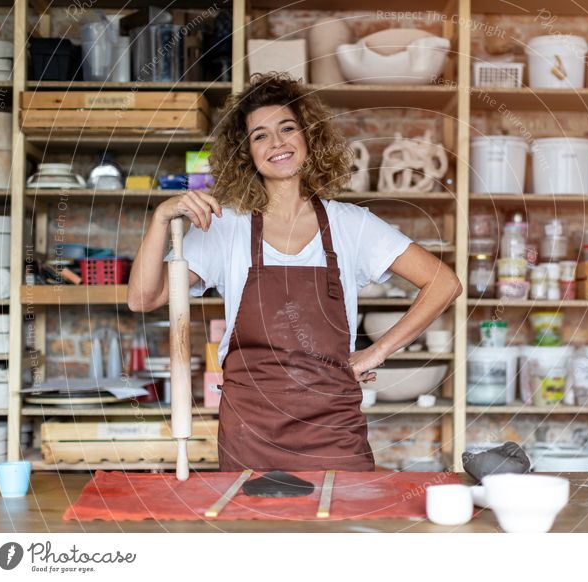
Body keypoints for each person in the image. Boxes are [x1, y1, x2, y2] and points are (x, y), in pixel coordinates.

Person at [128, 73, 462, 472]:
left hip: (334, 432)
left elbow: (444, 282)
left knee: (342, 525)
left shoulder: (351, 225)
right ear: (245, 152)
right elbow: (142, 298)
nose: (277, 143)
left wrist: (376, 352)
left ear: (310, 137)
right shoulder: (226, 227)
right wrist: (161, 217)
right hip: (250, 431)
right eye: (260, 136)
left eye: (287, 128)